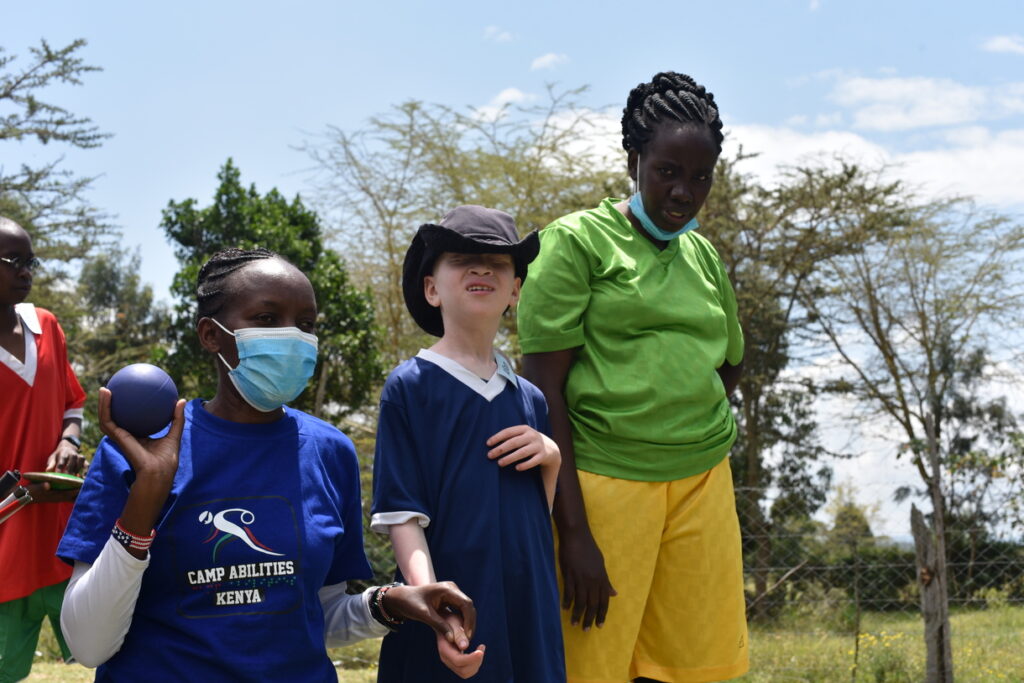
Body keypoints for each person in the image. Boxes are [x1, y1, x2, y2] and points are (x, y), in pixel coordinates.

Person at [56, 248, 477, 682]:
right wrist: (147, 495)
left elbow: (316, 614)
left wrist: (390, 602)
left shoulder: (330, 451)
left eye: (307, 324)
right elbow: (89, 644)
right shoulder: (140, 451)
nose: (292, 336)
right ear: (210, 335)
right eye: (267, 318)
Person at [518, 72, 748, 683]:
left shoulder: (702, 255)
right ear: (634, 160)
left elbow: (729, 361)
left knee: (690, 666)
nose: (684, 192)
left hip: (702, 480)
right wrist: (575, 534)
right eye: (668, 171)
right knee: (590, 665)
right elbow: (541, 395)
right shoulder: (574, 244)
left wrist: (684, 416)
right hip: (602, 481)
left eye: (701, 177)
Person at [371, 206, 565, 682]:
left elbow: (533, 519)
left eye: (499, 262)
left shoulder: (531, 399)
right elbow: (402, 516)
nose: (482, 268)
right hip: (452, 605)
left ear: (515, 289)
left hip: (529, 603)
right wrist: (432, 604)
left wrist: (552, 457)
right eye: (461, 258)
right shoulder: (409, 387)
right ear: (432, 288)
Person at [0, 216, 87, 682]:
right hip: (5, 543)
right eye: (15, 261)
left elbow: (73, 402)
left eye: (30, 261)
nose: (27, 271)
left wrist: (68, 442)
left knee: (113, 656)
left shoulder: (46, 326)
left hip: (62, 535)